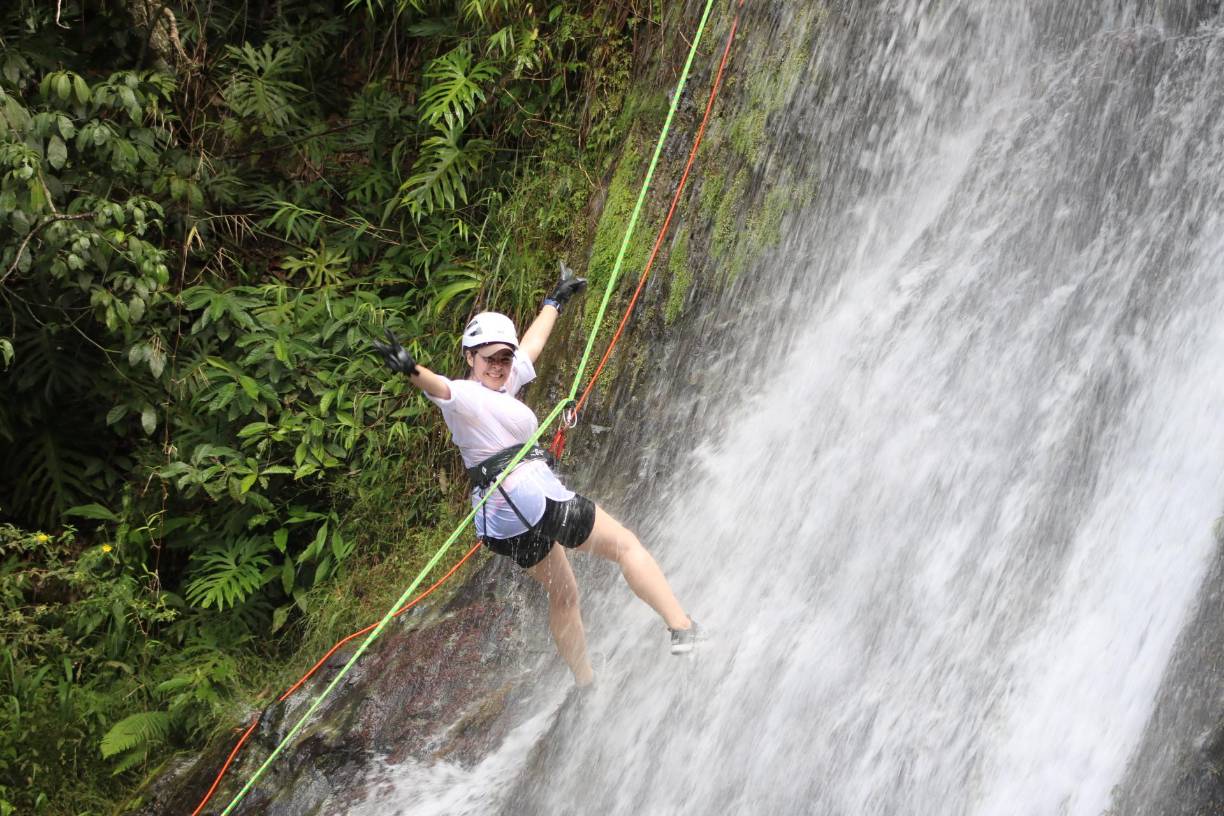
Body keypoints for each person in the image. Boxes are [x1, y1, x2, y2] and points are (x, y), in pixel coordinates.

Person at [373, 262, 697, 686]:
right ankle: (683, 629)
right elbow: (441, 389)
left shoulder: (502, 384)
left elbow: (532, 346)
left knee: (564, 594)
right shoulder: (466, 396)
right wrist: (411, 370)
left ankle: (584, 683)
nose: (500, 366)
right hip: (527, 495)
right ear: (469, 358)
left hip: (500, 521)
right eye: (490, 359)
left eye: (503, 359)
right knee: (625, 546)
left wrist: (555, 300)